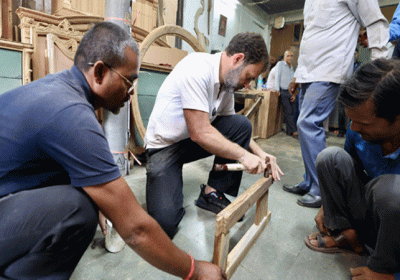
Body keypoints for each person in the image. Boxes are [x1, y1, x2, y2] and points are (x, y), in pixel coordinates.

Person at [0, 22, 226, 280]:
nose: (131, 93)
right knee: (77, 210)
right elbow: (136, 230)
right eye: (129, 81)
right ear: (99, 72)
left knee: (86, 197)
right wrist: (194, 271)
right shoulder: (71, 115)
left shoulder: (60, 89)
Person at [145, 32, 283, 238]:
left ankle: (212, 193)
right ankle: (166, 180)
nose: (248, 85)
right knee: (165, 224)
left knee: (241, 125)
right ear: (237, 59)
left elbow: (230, 122)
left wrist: (260, 153)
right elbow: (200, 132)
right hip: (164, 148)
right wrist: (244, 156)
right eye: (249, 77)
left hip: (189, 141)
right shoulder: (197, 69)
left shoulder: (227, 82)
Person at [284, 0, 389, 208]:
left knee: (308, 124)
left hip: (328, 69)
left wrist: (379, 69)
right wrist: (297, 75)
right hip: (308, 73)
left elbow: (376, 22)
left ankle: (321, 189)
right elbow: (309, 36)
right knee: (304, 127)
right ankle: (309, 180)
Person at [305, 58, 400, 280]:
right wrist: (328, 208)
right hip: (377, 218)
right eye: (352, 120)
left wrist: (394, 276)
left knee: (391, 191)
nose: (354, 128)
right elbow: (350, 169)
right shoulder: (357, 130)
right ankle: (349, 236)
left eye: (364, 123)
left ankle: (383, 267)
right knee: (331, 157)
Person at [273, 50, 297, 138]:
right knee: (288, 112)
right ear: (284, 57)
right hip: (283, 91)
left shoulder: (291, 67)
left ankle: (289, 131)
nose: (290, 57)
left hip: (291, 92)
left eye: (291, 56)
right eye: (288, 56)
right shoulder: (280, 64)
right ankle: (294, 131)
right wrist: (277, 89)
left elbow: (293, 82)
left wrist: (294, 94)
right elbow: (277, 77)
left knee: (293, 112)